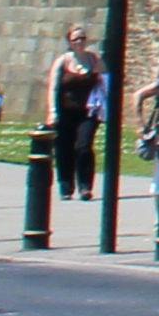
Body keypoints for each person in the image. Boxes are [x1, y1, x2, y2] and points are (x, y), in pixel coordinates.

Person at [49, 27, 103, 200]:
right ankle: (65, 186)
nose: (80, 42)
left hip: (88, 112)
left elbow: (105, 81)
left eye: (82, 38)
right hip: (65, 111)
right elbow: (53, 87)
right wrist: (52, 111)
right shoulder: (63, 61)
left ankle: (85, 186)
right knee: (64, 148)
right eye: (76, 39)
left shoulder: (93, 59)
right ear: (70, 42)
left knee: (84, 146)